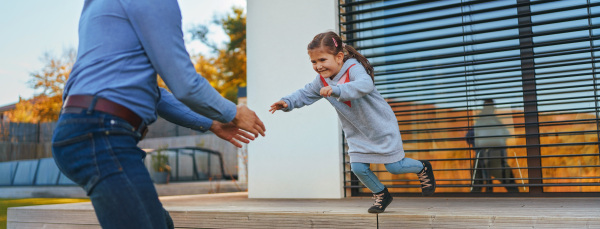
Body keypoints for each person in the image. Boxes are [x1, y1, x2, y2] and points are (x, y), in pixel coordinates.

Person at [51, 1, 265, 228]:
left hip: (81, 129)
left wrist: (212, 123)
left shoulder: (99, 6)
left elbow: (156, 95)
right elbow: (185, 84)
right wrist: (233, 112)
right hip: (102, 134)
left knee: (160, 223)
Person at [269, 31, 436, 213]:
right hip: (357, 132)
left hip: (381, 126)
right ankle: (381, 194)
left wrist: (337, 90)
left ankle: (422, 167)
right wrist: (287, 102)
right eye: (313, 62)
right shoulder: (321, 81)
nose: (318, 66)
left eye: (322, 60)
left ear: (339, 57)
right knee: (358, 168)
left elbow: (365, 85)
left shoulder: (353, 68)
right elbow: (305, 93)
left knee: (395, 167)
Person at [467, 99, 518, 193]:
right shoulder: (483, 121)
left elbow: (506, 134)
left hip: (492, 155)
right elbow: (469, 137)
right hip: (489, 155)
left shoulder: (492, 120)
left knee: (479, 185)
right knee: (479, 185)